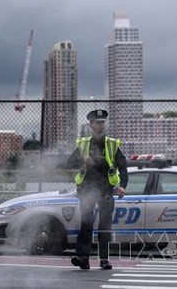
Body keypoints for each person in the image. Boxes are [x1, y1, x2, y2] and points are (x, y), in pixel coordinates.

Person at [67, 109, 128, 270]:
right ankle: (83, 258)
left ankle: (104, 259)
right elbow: (69, 164)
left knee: (105, 225)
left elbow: (123, 167)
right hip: (87, 189)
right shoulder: (84, 144)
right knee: (86, 223)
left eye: (102, 122)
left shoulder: (112, 144)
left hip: (106, 190)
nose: (101, 125)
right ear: (91, 125)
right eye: (97, 122)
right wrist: (83, 158)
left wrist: (122, 186)